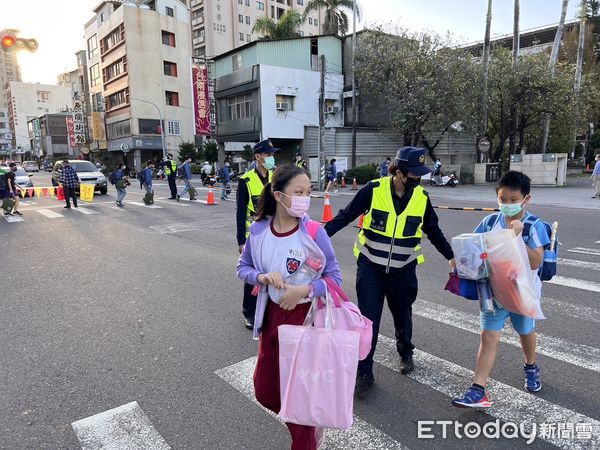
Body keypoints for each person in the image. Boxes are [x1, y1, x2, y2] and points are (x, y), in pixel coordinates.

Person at [324, 147, 456, 399]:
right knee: (367, 322)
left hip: (403, 271)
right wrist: (317, 239)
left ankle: (406, 351)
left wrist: (451, 257)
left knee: (402, 316)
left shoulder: (421, 198)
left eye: (420, 175)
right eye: (414, 174)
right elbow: (344, 216)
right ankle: (364, 372)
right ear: (400, 171)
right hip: (371, 268)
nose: (418, 179)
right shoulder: (373, 190)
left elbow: (434, 232)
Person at [237, 164, 342, 450]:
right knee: (265, 391)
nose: (305, 199)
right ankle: (307, 425)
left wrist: (304, 290)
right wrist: (260, 276)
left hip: (304, 321)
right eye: (299, 192)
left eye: (308, 192)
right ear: (278, 194)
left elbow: (334, 278)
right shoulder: (259, 231)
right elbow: (242, 267)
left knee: (299, 405)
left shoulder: (313, 231)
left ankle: (306, 434)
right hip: (272, 318)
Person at [452, 171, 551, 409]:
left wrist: (516, 237)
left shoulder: (534, 226)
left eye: (513, 199)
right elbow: (472, 246)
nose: (507, 204)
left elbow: (536, 262)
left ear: (526, 198)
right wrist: (458, 260)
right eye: (502, 199)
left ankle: (531, 366)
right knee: (488, 337)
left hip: (522, 295)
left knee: (525, 331)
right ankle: (478, 390)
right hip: (493, 292)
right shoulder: (489, 222)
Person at [237, 139, 278, 330]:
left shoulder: (276, 177)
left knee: (272, 270)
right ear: (258, 156)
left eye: (272, 154)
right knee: (253, 275)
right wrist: (240, 240)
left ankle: (269, 308)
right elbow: (240, 212)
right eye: (268, 155)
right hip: (253, 236)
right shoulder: (245, 181)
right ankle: (249, 313)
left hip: (275, 233)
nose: (271, 158)